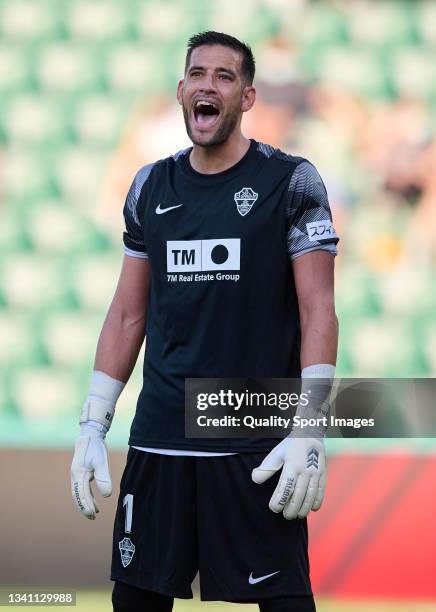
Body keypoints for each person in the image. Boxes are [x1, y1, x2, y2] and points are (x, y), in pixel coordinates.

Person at [71, 31, 339, 612]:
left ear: (246, 96)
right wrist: (94, 422)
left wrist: (310, 425)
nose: (207, 85)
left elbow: (320, 308)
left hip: (251, 439)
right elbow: (126, 314)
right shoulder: (150, 185)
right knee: (134, 605)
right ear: (180, 90)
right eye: (198, 74)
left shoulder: (292, 182)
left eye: (224, 76)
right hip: (161, 441)